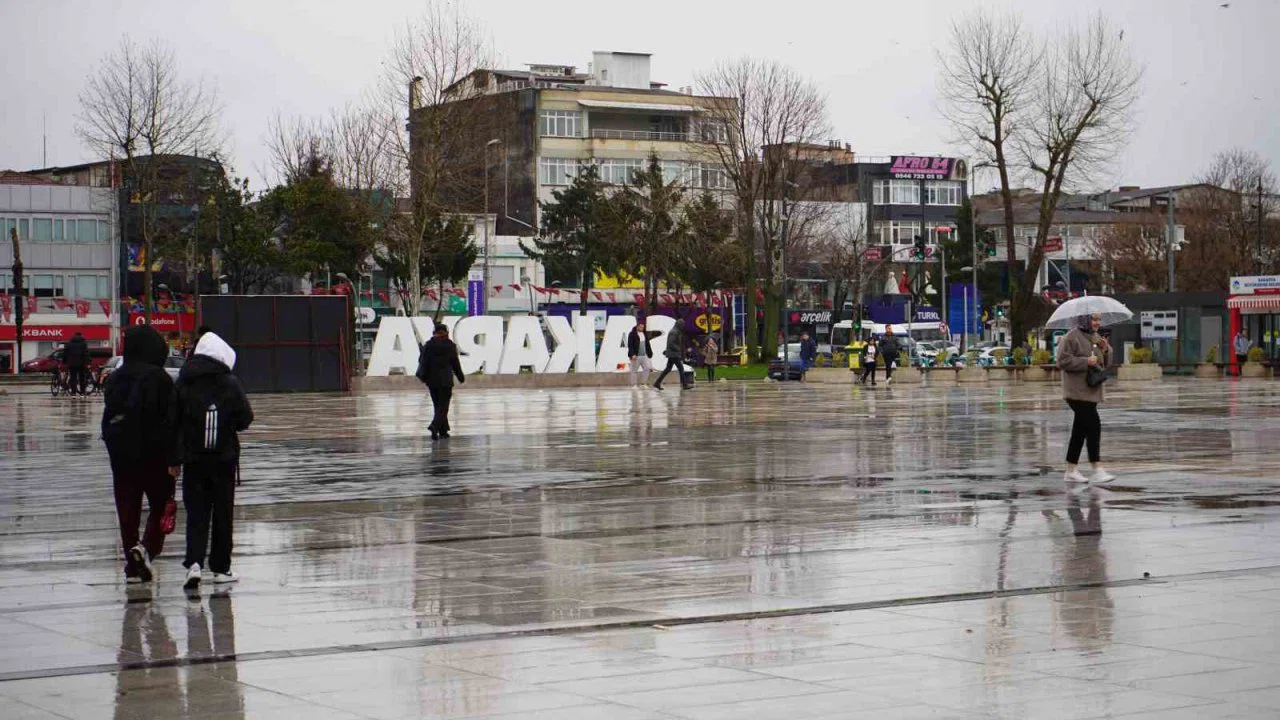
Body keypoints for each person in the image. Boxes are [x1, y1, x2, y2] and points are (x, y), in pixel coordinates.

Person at [171, 331, 254, 590]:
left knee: (196, 513)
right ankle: (220, 568)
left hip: (193, 459)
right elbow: (245, 418)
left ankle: (194, 563)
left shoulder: (184, 381)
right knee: (222, 514)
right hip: (223, 459)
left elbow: (173, 421)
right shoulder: (229, 383)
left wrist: (174, 458)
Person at [101, 325, 179, 584]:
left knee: (127, 510)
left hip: (122, 456)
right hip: (155, 454)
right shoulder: (159, 378)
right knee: (161, 507)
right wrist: (174, 457)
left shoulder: (115, 378)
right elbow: (170, 421)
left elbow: (109, 417)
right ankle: (145, 549)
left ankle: (132, 564)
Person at [1057, 313, 1114, 484]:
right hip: (1076, 391)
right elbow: (1062, 361)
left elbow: (1104, 363)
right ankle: (1097, 467)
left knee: (1080, 430)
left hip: (1091, 390)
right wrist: (1085, 362)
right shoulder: (1071, 337)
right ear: (1084, 319)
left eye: (1099, 319)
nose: (1097, 323)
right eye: (1094, 319)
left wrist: (1105, 349)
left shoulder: (1095, 337)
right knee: (1093, 425)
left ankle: (1071, 470)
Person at [416, 323, 465, 440]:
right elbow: (455, 363)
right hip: (445, 381)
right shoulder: (450, 345)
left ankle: (443, 431)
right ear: (446, 332)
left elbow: (421, 360)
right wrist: (460, 377)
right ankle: (435, 426)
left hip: (431, 381)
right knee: (443, 406)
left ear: (434, 332)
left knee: (438, 405)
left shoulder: (428, 345)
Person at [654, 321, 690, 391]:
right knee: (681, 368)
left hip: (672, 354)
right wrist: (679, 350)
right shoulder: (674, 332)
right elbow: (671, 343)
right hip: (674, 354)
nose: (683, 326)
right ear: (679, 324)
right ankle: (685, 385)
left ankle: (657, 383)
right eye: (682, 325)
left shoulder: (676, 331)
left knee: (668, 369)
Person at [627, 320, 655, 387]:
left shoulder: (644, 334)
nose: (642, 328)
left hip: (644, 355)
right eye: (640, 327)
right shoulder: (632, 334)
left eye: (643, 327)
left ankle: (643, 383)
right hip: (636, 356)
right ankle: (634, 385)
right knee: (634, 370)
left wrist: (650, 353)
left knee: (647, 369)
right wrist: (632, 354)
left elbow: (647, 344)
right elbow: (630, 345)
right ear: (637, 326)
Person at [63, 331, 90, 396]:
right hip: (81, 363)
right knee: (82, 378)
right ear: (81, 335)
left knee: (73, 378)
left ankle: (73, 393)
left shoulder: (69, 344)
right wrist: (88, 362)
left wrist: (65, 361)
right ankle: (82, 392)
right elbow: (86, 354)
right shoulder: (84, 344)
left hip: (71, 364)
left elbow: (65, 354)